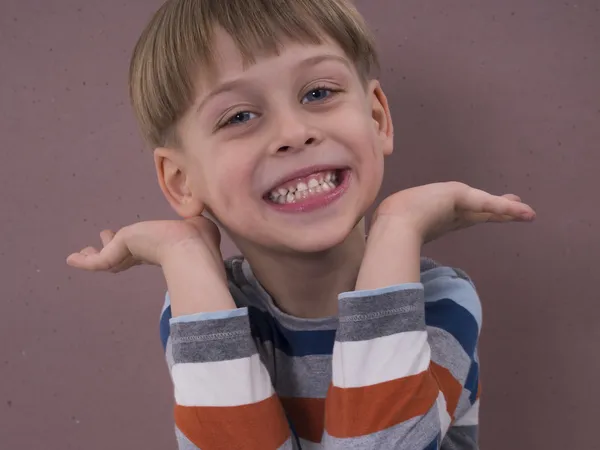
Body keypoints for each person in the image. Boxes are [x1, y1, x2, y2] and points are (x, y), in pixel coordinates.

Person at [67, 0, 536, 448]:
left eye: (318, 92)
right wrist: (183, 254)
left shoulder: (440, 301)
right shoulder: (201, 307)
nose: (293, 133)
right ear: (182, 180)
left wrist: (398, 224)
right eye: (240, 116)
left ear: (376, 118)